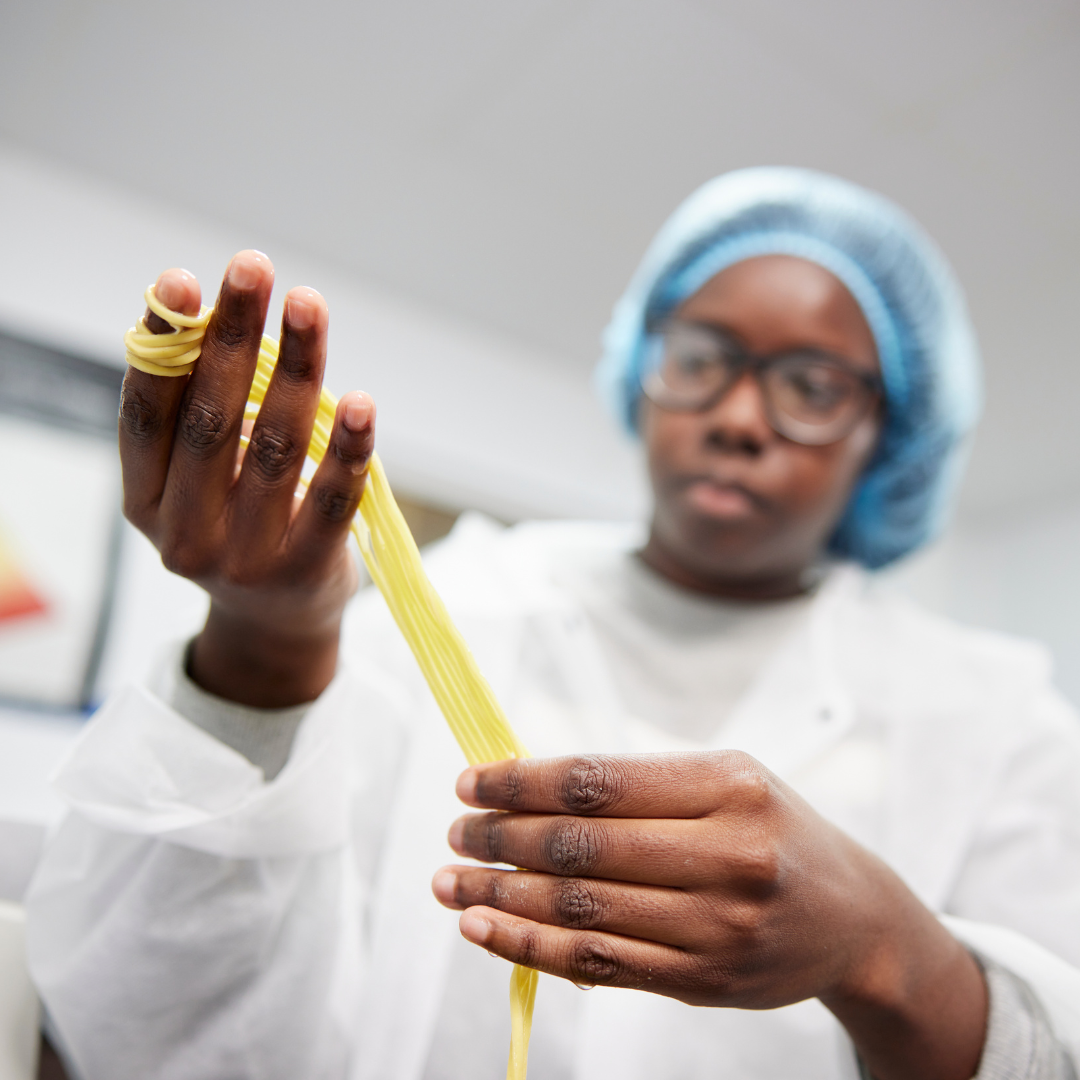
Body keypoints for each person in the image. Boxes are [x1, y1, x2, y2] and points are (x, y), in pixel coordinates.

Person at [25, 168, 1080, 1080]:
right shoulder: (455, 606)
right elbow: (167, 1028)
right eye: (705, 357)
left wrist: (885, 954)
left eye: (811, 385)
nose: (742, 417)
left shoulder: (996, 721)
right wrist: (265, 643)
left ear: (885, 438)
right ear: (644, 368)